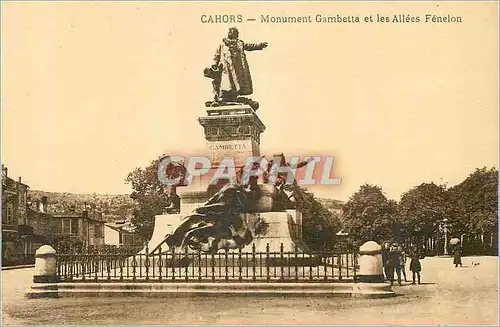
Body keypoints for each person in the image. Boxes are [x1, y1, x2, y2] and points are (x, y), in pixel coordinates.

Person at [211, 27, 268, 102]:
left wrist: (259, 45)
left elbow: (249, 46)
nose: (232, 34)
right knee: (225, 82)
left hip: (238, 68)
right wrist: (214, 64)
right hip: (226, 67)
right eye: (231, 32)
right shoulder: (223, 44)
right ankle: (222, 97)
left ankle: (233, 97)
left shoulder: (239, 43)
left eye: (234, 33)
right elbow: (217, 55)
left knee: (236, 83)